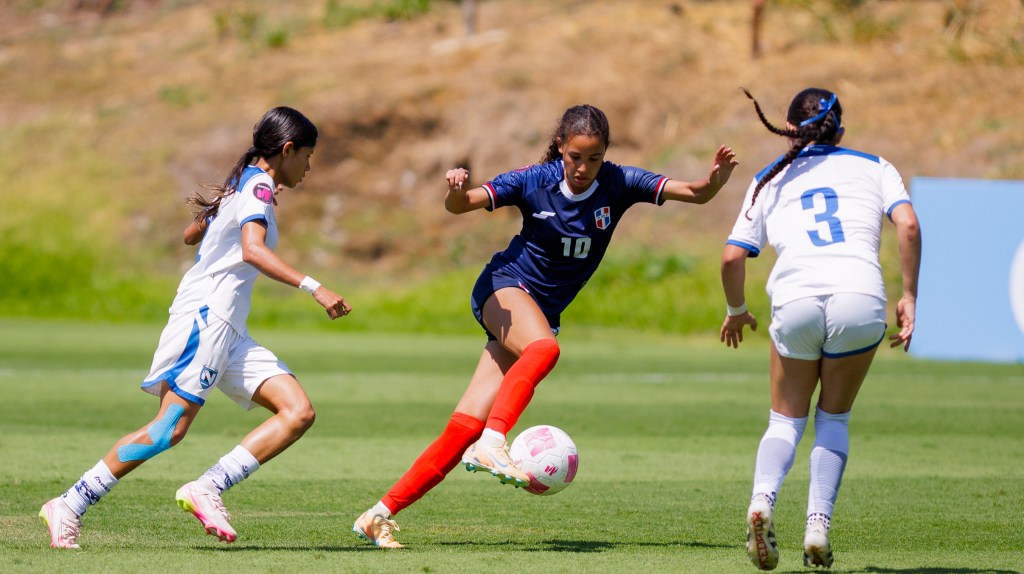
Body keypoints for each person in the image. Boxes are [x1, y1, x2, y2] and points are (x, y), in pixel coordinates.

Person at [353, 104, 738, 548]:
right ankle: (493, 442)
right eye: (575, 157)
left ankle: (378, 514)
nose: (584, 168)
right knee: (544, 351)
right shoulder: (534, 180)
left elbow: (695, 192)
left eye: (594, 159)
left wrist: (715, 180)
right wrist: (456, 191)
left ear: (606, 154)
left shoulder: (620, 182)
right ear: (560, 147)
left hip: (539, 313)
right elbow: (461, 205)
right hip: (503, 288)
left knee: (463, 428)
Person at [39, 106, 351, 549]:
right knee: (168, 428)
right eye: (308, 155)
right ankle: (69, 504)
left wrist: (230, 207)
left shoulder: (246, 183)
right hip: (206, 318)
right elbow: (252, 251)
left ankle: (208, 487)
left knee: (298, 412)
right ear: (287, 150)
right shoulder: (257, 186)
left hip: (229, 328)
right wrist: (314, 287)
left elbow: (190, 235)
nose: (309, 166)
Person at [719, 88, 921, 570]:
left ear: (789, 130)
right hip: (859, 297)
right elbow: (909, 226)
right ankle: (817, 526)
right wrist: (909, 295)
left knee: (785, 422)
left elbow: (731, 257)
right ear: (840, 131)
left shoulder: (769, 178)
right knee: (834, 419)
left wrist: (737, 309)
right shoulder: (875, 166)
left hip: (796, 299)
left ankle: (762, 500)